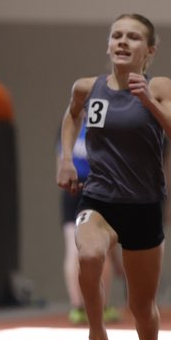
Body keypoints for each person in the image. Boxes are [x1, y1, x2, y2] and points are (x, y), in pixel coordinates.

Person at [57, 13, 171, 340]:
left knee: (141, 305)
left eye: (133, 37)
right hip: (98, 197)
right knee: (88, 255)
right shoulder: (88, 87)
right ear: (108, 44)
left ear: (149, 50)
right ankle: (97, 336)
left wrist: (148, 102)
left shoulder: (159, 87)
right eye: (116, 35)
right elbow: (71, 116)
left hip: (144, 205)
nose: (123, 42)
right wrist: (67, 159)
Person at [59, 120, 121, 326]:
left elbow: (60, 162)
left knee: (79, 248)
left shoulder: (69, 124)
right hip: (92, 189)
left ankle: (80, 307)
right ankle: (94, 306)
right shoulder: (100, 123)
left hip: (80, 189)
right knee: (97, 249)